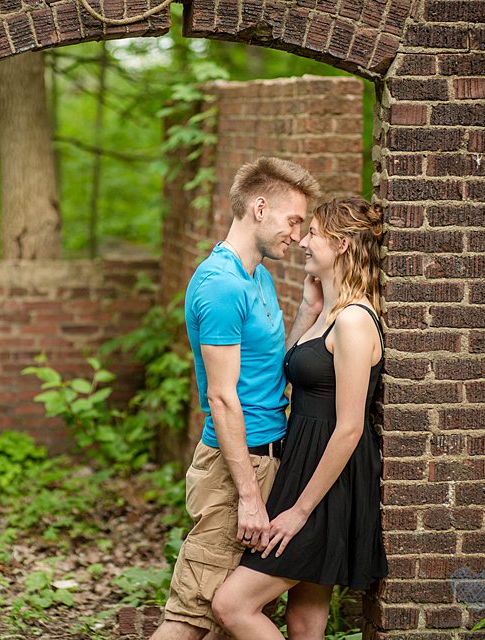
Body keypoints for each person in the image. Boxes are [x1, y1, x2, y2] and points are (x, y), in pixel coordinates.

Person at [151, 157, 323, 640]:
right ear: (260, 207)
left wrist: (308, 313)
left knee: (229, 617)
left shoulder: (260, 278)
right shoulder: (222, 286)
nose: (298, 234)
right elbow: (222, 398)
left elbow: (270, 373)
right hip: (235, 470)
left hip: (267, 461)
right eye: (294, 221)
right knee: (188, 618)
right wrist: (248, 496)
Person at [212, 196, 389, 640]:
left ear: (343, 245)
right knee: (304, 622)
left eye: (313, 234)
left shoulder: (353, 322)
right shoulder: (328, 314)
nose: (303, 241)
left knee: (232, 606)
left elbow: (349, 428)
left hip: (327, 484)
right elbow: (287, 374)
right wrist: (309, 309)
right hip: (304, 465)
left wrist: (298, 512)